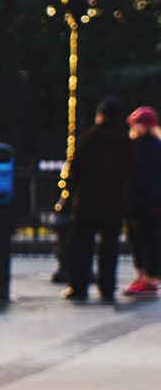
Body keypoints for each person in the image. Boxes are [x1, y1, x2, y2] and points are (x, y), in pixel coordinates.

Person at [64, 97, 136, 303]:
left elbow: (75, 168)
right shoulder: (124, 141)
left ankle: (78, 286)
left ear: (100, 115)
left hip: (87, 201)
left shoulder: (89, 138)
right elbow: (132, 168)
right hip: (114, 202)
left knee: (81, 246)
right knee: (109, 248)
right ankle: (107, 287)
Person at [124, 106, 161, 296]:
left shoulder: (154, 147)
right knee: (136, 239)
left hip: (147, 201)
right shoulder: (137, 145)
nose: (134, 128)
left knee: (148, 240)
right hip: (134, 200)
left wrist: (156, 200)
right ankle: (142, 274)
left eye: (138, 124)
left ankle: (151, 277)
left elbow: (156, 176)